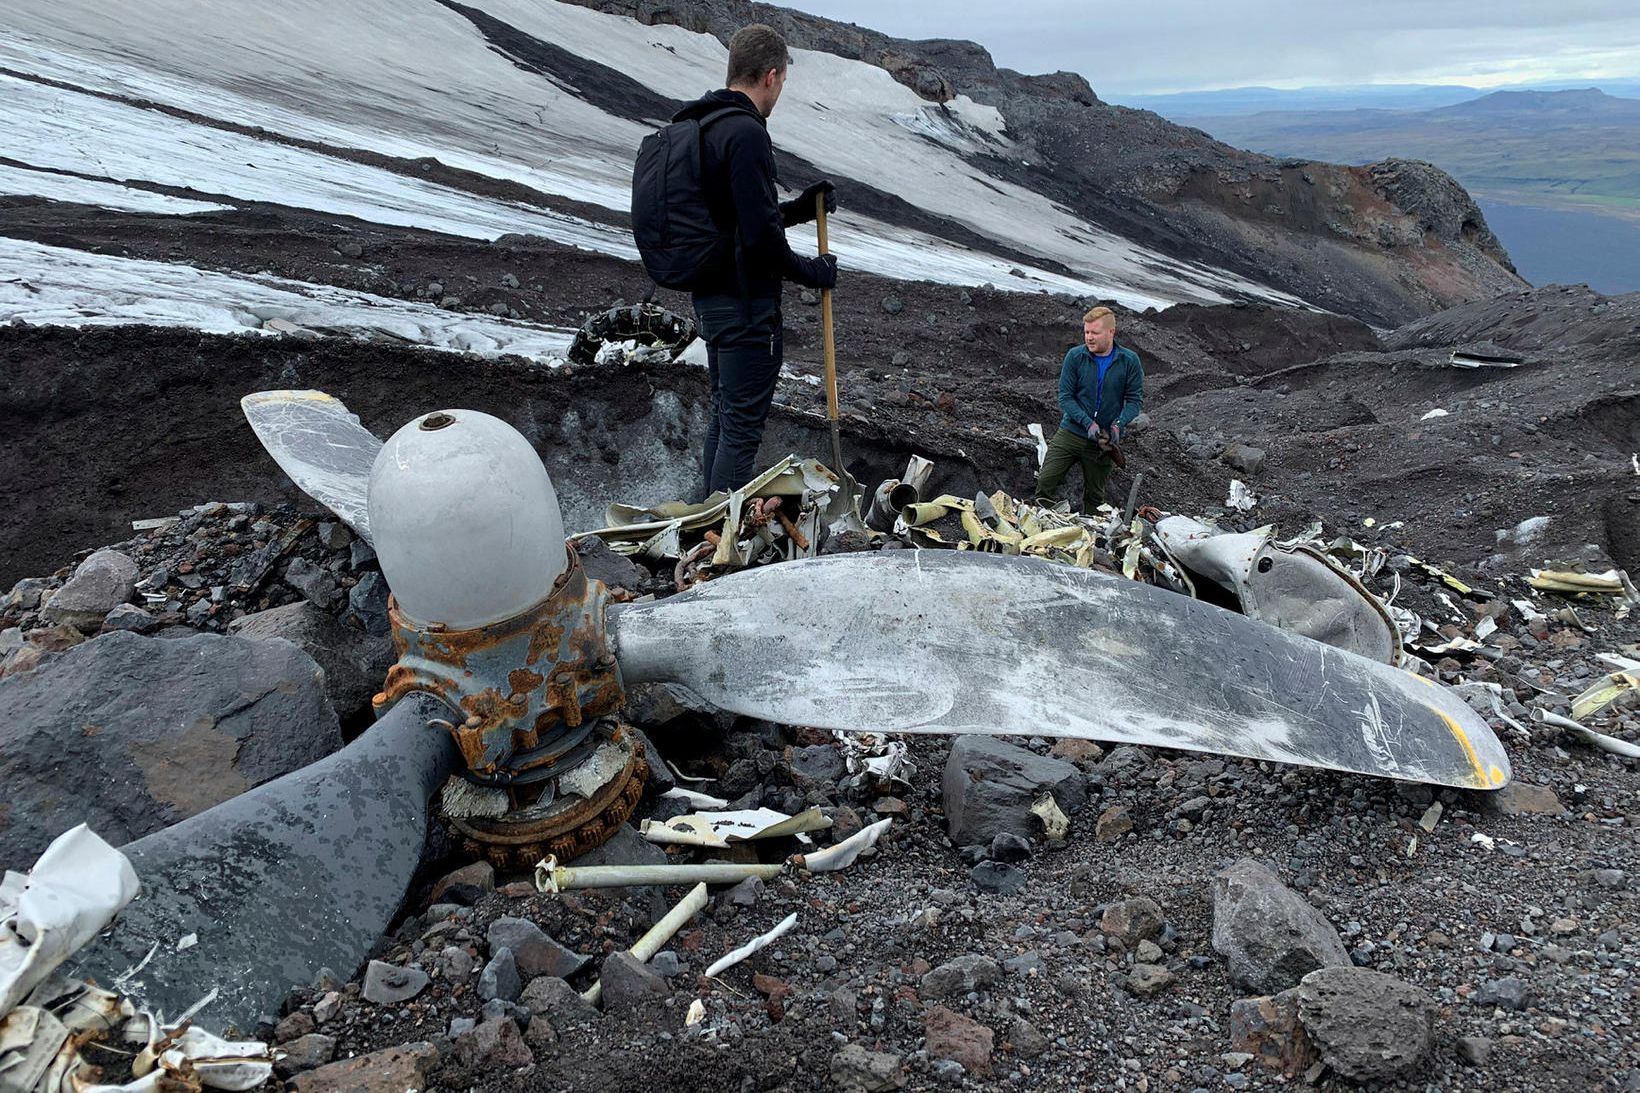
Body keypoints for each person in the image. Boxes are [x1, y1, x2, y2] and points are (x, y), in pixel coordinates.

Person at [671, 24, 838, 497]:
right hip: (747, 309)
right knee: (741, 429)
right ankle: (718, 542)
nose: (780, 90)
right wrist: (815, 273)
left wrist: (800, 210)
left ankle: (705, 526)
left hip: (712, 300)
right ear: (771, 76)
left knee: (724, 417)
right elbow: (761, 242)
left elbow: (742, 224)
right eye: (782, 81)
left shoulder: (704, 125)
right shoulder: (745, 133)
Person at [1034, 306, 1144, 512]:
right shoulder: (1075, 356)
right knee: (1046, 480)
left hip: (1104, 442)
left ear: (1111, 332)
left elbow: (1134, 401)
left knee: (1095, 497)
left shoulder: (1129, 361)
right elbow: (1065, 397)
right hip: (1072, 432)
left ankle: (1091, 535)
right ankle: (1042, 523)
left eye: (1095, 332)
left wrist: (1118, 426)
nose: (1089, 337)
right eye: (1086, 332)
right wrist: (1087, 423)